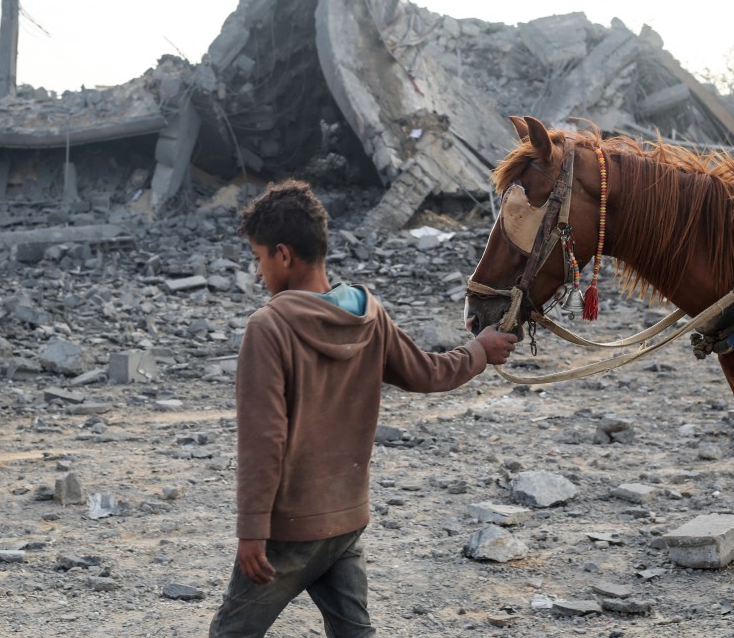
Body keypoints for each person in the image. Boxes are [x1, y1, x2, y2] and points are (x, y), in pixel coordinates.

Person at [208, 179, 520, 638]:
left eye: (258, 259)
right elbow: (427, 372)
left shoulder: (268, 327)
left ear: (283, 254)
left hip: (290, 531)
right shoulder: (367, 312)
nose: (258, 274)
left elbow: (263, 438)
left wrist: (251, 530)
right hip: (346, 522)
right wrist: (479, 350)